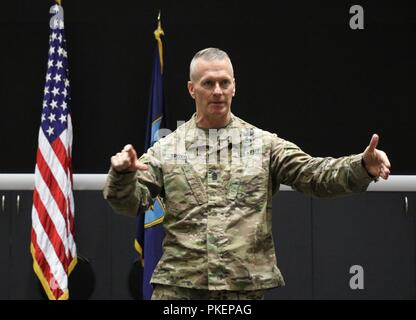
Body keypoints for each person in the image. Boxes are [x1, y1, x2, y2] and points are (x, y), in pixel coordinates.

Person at [103, 48, 391, 300]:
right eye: (208, 83)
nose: (217, 90)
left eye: (224, 82)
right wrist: (122, 175)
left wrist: (361, 166)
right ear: (192, 89)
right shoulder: (166, 149)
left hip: (242, 290)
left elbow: (314, 175)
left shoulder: (264, 145)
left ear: (234, 87)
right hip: (180, 289)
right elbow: (131, 203)